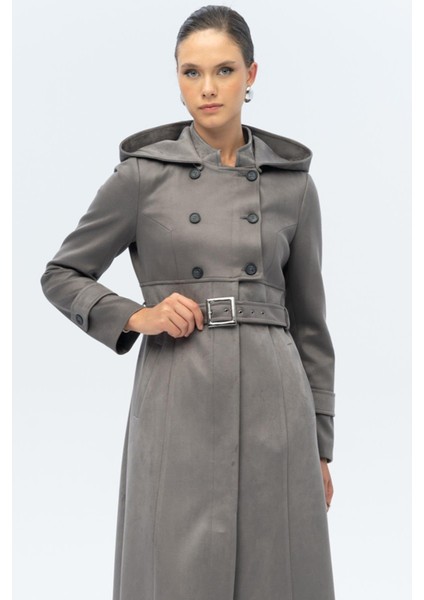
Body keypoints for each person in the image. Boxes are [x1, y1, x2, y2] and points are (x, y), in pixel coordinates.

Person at [41, 5, 337, 600]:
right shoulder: (141, 177)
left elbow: (310, 325)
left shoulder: (293, 185)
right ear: (176, 78)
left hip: (275, 402)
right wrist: (138, 315)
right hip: (180, 392)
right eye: (191, 72)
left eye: (224, 70)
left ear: (251, 75)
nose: (207, 88)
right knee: (174, 568)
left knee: (276, 571)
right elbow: (62, 273)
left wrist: (321, 445)